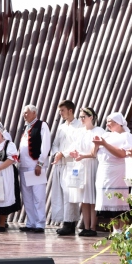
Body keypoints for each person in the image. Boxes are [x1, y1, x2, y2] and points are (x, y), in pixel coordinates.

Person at [91, 113, 132, 232]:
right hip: (104, 172)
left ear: (118, 122)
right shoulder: (106, 135)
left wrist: (104, 144)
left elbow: (122, 154)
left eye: (110, 121)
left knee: (120, 203)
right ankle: (116, 230)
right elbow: (93, 154)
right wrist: (96, 144)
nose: (107, 124)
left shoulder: (127, 136)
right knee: (109, 203)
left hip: (119, 172)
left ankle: (123, 231)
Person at [67, 107, 106, 237]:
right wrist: (74, 153)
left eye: (84, 117)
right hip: (82, 165)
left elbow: (95, 153)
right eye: (80, 117)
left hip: (92, 165)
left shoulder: (99, 131)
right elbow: (75, 147)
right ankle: (86, 226)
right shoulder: (80, 132)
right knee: (83, 198)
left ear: (91, 117)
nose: (82, 119)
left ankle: (93, 227)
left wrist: (82, 156)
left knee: (92, 198)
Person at [18, 105, 51, 233]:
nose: (24, 115)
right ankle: (31, 222)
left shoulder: (42, 125)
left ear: (33, 113)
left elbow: (45, 145)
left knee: (38, 196)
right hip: (24, 166)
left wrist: (40, 163)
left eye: (26, 113)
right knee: (27, 197)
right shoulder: (26, 127)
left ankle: (40, 223)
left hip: (35, 166)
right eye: (23, 113)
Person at [52, 99, 82, 235]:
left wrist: (63, 154)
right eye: (60, 111)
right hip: (60, 164)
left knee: (70, 194)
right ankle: (66, 222)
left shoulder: (79, 126)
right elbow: (55, 143)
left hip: (72, 164)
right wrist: (57, 153)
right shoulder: (62, 126)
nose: (61, 113)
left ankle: (70, 223)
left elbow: (77, 145)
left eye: (62, 110)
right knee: (62, 193)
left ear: (70, 110)